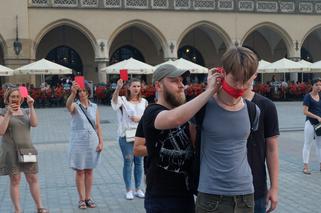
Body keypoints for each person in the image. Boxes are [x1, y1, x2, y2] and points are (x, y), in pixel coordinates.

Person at [141, 64, 221, 213]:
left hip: (186, 193)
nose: (181, 85)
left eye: (182, 81)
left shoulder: (185, 113)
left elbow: (196, 145)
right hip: (161, 197)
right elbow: (175, 119)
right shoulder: (152, 112)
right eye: (174, 81)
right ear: (158, 85)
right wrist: (210, 90)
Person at [195, 46, 260, 213]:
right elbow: (192, 143)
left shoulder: (253, 110)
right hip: (211, 195)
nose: (239, 85)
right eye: (235, 79)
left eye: (245, 80)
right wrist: (209, 90)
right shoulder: (202, 107)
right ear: (222, 73)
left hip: (245, 195)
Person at [0, 87, 49, 213]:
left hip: (27, 150)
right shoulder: (2, 111)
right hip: (10, 151)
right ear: (7, 98)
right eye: (13, 97)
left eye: (17, 96)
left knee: (32, 178)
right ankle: (18, 210)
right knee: (15, 180)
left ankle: (40, 207)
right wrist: (9, 114)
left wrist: (31, 106)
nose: (15, 99)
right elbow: (1, 131)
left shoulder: (26, 111)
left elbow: (34, 123)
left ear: (21, 98)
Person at [66, 81, 104, 209]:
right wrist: (72, 93)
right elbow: (68, 106)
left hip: (92, 141)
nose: (82, 93)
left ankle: (88, 197)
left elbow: (98, 126)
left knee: (89, 170)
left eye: (84, 91)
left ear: (88, 92)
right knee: (80, 171)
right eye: (80, 91)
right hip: (78, 141)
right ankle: (81, 199)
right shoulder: (75, 106)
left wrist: (101, 142)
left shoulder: (94, 106)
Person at [243, 85, 280, 213]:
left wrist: (274, 187)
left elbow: (272, 149)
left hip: (256, 188)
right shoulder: (216, 104)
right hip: (220, 192)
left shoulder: (266, 105)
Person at [111, 78, 148, 200]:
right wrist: (118, 88)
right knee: (128, 162)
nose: (136, 89)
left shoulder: (144, 102)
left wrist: (140, 119)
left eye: (138, 86)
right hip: (125, 136)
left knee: (139, 163)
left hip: (140, 136)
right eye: (134, 86)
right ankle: (128, 189)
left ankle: (138, 188)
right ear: (129, 88)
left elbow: (148, 118)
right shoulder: (123, 101)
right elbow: (114, 103)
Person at [302, 78, 321, 174]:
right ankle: (305, 167)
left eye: (320, 85)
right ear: (312, 86)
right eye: (317, 85)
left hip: (319, 125)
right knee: (307, 144)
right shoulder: (307, 97)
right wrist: (317, 117)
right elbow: (305, 111)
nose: (319, 87)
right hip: (310, 123)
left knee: (319, 145)